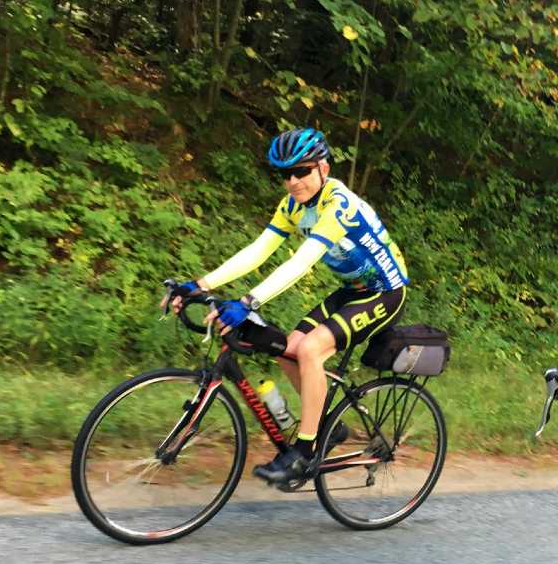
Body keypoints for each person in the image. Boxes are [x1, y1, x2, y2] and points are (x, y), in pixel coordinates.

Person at [171, 127, 409, 483]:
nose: (294, 181)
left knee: (311, 349)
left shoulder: (338, 204)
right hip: (353, 290)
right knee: (288, 349)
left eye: (302, 171)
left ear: (323, 169)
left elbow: (301, 262)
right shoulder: (293, 206)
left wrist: (248, 301)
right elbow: (258, 250)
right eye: (286, 174)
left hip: (386, 292)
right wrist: (200, 284)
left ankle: (305, 450)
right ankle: (331, 427)